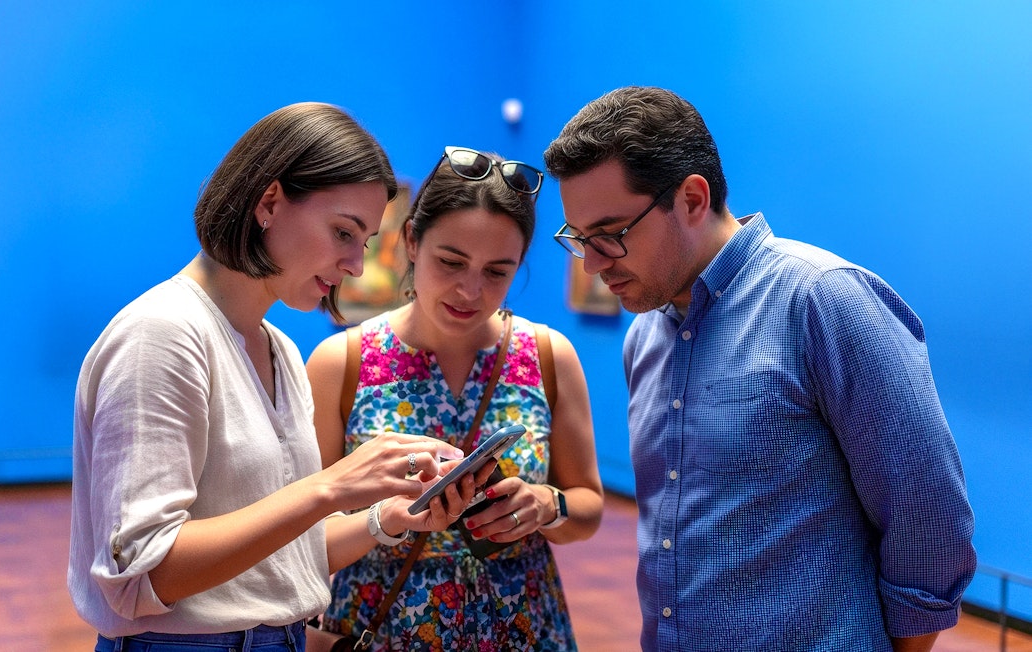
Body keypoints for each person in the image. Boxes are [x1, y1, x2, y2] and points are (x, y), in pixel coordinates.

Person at [542, 86, 977, 652]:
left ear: (693, 199)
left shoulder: (823, 301)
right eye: (579, 239)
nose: (594, 264)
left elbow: (928, 511)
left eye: (611, 235)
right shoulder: (643, 335)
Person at [69, 102, 485, 652]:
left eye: (362, 243)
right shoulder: (162, 334)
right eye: (343, 232)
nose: (356, 266)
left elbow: (279, 557)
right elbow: (147, 573)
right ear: (269, 202)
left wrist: (387, 518)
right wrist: (331, 487)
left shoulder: (280, 349)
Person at [305, 146, 605, 650]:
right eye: (451, 261)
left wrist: (546, 506)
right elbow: (304, 536)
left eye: (497, 272)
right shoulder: (344, 361)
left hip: (521, 623)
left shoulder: (548, 355)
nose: (470, 291)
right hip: (386, 624)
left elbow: (589, 507)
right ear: (412, 242)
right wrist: (384, 521)